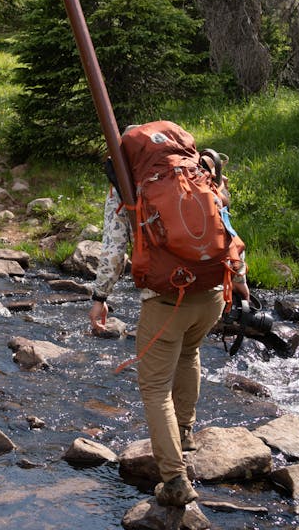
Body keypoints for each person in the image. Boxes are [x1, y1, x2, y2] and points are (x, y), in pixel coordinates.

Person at [87, 184, 250, 508]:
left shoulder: (125, 184)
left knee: (155, 387)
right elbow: (228, 228)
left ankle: (174, 480)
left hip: (168, 300)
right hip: (213, 290)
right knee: (190, 352)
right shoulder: (193, 173)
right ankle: (184, 434)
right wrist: (241, 278)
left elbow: (114, 250)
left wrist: (100, 297)